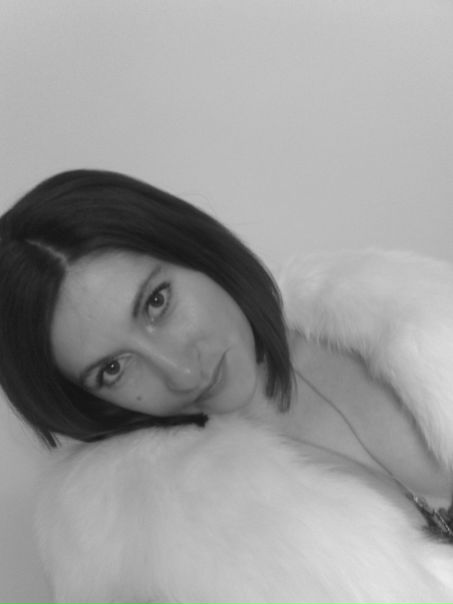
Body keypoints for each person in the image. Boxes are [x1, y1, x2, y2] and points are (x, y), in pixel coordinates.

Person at [2, 169, 453, 602]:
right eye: (113, 369)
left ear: (192, 248)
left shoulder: (400, 306)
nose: (180, 372)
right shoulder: (147, 550)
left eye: (157, 302)